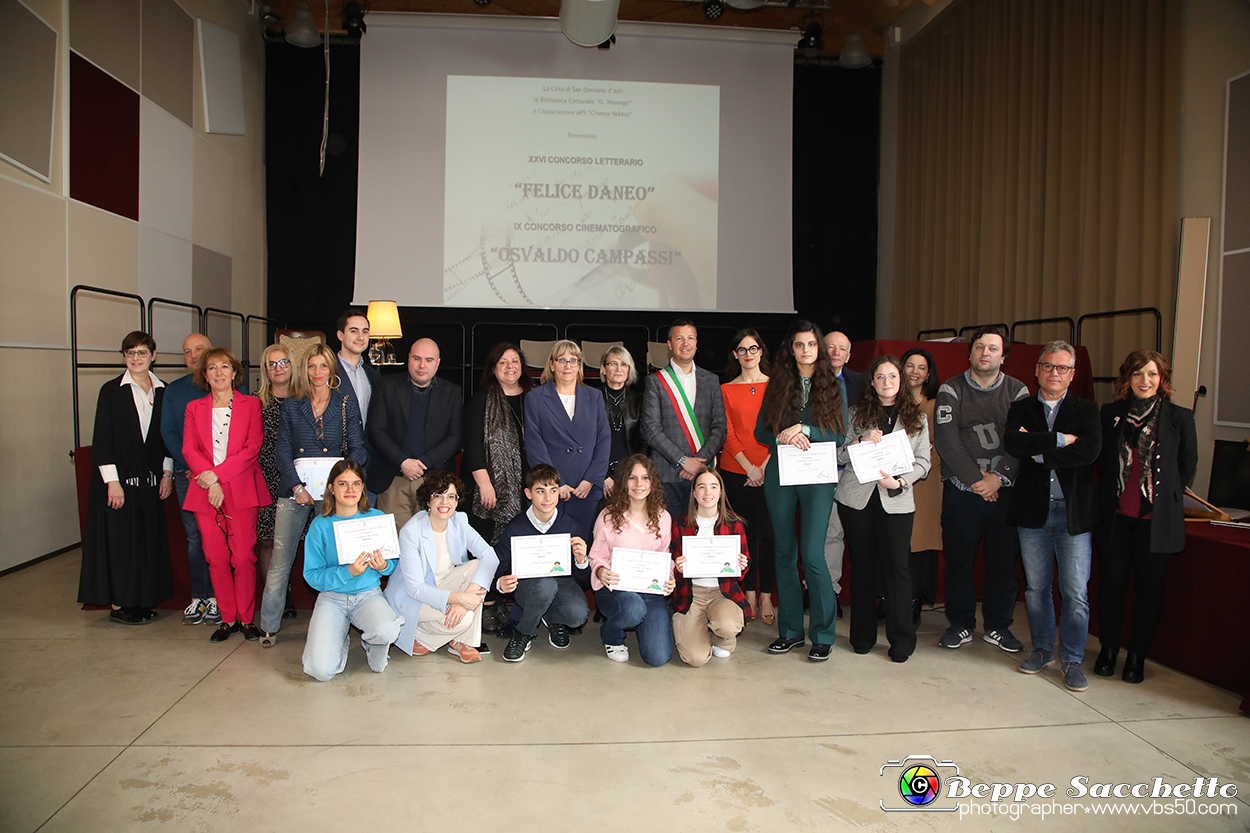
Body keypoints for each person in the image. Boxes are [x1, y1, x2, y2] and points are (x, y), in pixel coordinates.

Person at [1093, 350, 1197, 684]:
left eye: (1151, 374)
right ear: (1126, 379)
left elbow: (1186, 467)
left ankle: (1137, 656)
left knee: (1150, 588)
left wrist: (1158, 495)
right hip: (1116, 517)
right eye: (1137, 374)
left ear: (1162, 379)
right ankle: (1109, 649)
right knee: (1111, 584)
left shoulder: (1180, 417)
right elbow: (1101, 462)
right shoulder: (1110, 413)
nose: (1145, 381)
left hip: (1156, 521)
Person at [1004, 341, 1102, 692]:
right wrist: (1061, 440)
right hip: (1033, 514)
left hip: (1073, 515)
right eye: (1048, 366)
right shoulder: (1021, 407)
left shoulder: (1087, 409)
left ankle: (1072, 660)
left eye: (1062, 368)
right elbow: (1014, 445)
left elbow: (1089, 451)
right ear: (1037, 370)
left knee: (1075, 592)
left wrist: (1042, 452)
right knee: (1036, 589)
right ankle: (1043, 649)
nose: (1054, 373)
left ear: (1072, 375)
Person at [259, 343, 366, 647]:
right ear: (303, 370)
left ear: (331, 369)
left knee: (337, 558)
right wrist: (296, 486)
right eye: (311, 366)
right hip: (295, 491)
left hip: (334, 494)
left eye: (322, 366)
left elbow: (358, 447)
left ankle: (338, 623)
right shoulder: (293, 404)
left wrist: (343, 480)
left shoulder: (345, 402)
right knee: (281, 560)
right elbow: (282, 452)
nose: (317, 373)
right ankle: (268, 625)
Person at [755, 321, 847, 662]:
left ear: (818, 348)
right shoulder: (778, 384)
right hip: (781, 474)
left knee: (812, 555)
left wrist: (805, 428)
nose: (806, 350)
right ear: (790, 349)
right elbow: (760, 433)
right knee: (784, 554)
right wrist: (783, 435)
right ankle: (790, 631)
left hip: (817, 477)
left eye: (811, 344)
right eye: (799, 345)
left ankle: (822, 634)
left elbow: (839, 435)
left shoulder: (834, 386)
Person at [934, 326, 1029, 652]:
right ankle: (960, 624)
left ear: (1003, 356)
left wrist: (998, 478)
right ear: (970, 353)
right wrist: (978, 480)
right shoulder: (952, 389)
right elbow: (948, 442)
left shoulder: (1018, 392)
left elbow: (1021, 441)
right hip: (963, 491)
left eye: (992, 348)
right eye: (979, 347)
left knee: (1003, 562)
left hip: (1005, 491)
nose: (985, 353)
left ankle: (998, 626)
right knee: (959, 560)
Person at [835, 355, 931, 663]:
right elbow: (839, 455)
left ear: (901, 381)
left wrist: (900, 482)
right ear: (872, 382)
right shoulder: (855, 414)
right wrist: (861, 441)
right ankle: (862, 636)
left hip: (896, 500)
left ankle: (902, 639)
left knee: (897, 569)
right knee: (862, 567)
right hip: (857, 500)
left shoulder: (917, 418)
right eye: (881, 377)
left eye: (893, 376)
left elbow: (924, 463)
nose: (887, 382)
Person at [78, 331, 175, 624]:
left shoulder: (163, 391)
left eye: (142, 353)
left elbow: (167, 438)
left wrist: (167, 473)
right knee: (122, 547)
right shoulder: (111, 391)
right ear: (124, 357)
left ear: (153, 355)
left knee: (145, 546)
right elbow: (103, 438)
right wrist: (113, 482)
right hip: (120, 486)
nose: (136, 359)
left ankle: (140, 602)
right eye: (130, 353)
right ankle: (121, 606)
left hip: (150, 485)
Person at [182, 347, 271, 643]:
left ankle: (247, 619)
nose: (218, 373)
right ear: (204, 375)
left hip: (241, 487)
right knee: (216, 557)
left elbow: (252, 447)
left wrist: (218, 476)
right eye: (212, 368)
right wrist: (212, 481)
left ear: (234, 372)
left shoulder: (251, 405)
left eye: (224, 367)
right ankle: (228, 618)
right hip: (205, 491)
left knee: (243, 557)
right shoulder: (194, 408)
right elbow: (189, 450)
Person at [301, 459, 404, 681]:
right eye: (343, 484)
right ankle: (339, 640)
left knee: (387, 631)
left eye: (356, 484)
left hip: (368, 596)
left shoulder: (377, 519)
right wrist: (347, 572)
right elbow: (311, 575)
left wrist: (384, 566)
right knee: (320, 671)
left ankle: (371, 641)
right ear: (331, 488)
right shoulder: (320, 525)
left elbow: (392, 563)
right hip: (332, 598)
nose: (350, 490)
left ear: (363, 488)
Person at [384, 470, 499, 663]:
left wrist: (466, 598)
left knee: (479, 566)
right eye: (437, 496)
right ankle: (422, 635)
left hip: (443, 584)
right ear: (428, 502)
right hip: (412, 598)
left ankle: (457, 641)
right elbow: (416, 589)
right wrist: (460, 598)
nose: (445, 502)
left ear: (456, 501)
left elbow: (490, 557)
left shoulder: (459, 521)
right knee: (465, 620)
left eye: (450, 496)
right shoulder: (411, 532)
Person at [464, 342, 531, 633]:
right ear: (493, 368)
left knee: (513, 545)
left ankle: (506, 598)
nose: (509, 367)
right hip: (488, 488)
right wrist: (484, 482)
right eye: (502, 362)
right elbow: (472, 444)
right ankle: (487, 602)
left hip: (525, 487)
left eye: (514, 361)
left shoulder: (534, 399)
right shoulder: (482, 399)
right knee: (487, 545)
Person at [493, 465, 592, 662]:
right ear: (528, 494)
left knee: (578, 616)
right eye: (540, 491)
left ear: (559, 492)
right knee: (545, 585)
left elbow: (584, 582)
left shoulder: (571, 525)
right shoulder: (516, 526)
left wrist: (582, 561)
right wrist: (499, 584)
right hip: (529, 586)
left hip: (562, 584)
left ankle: (550, 618)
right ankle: (523, 633)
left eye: (553, 491)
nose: (548, 498)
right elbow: (497, 565)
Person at [367, 338, 464, 532]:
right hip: (393, 479)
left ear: (437, 363)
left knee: (432, 544)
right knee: (394, 544)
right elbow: (376, 430)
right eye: (417, 359)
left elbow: (456, 437)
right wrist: (403, 461)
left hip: (434, 480)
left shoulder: (452, 392)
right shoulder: (387, 385)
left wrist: (424, 462)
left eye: (429, 360)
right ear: (409, 359)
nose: (422, 366)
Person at [588, 454, 676, 666]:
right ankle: (611, 635)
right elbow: (596, 555)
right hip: (615, 589)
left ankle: (638, 621)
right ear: (623, 481)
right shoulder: (608, 516)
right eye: (632, 478)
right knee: (633, 610)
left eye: (645, 478)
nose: (639, 484)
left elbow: (665, 555)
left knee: (658, 658)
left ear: (652, 482)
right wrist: (600, 570)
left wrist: (669, 577)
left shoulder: (663, 517)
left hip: (650, 591)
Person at [159, 332, 220, 626]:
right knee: (195, 537)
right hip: (189, 476)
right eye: (187, 351)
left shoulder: (229, 386)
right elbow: (169, 433)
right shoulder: (174, 391)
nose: (194, 355)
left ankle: (220, 597)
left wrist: (216, 472)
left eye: (199, 349)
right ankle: (200, 597)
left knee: (222, 536)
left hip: (225, 477)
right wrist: (192, 467)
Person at [524, 340, 611, 539]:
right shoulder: (535, 398)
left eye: (573, 360)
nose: (568, 365)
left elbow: (604, 441)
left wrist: (590, 480)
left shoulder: (594, 396)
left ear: (580, 365)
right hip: (550, 491)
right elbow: (534, 444)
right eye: (561, 360)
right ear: (552, 365)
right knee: (551, 553)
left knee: (582, 547)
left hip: (585, 490)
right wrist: (556, 484)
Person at [719, 328, 776, 624]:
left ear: (761, 351)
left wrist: (764, 466)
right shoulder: (726, 389)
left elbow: (780, 426)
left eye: (753, 348)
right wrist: (748, 467)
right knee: (743, 536)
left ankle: (766, 594)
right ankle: (748, 592)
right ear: (735, 355)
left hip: (770, 469)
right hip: (735, 471)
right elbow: (726, 432)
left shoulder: (776, 386)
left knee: (769, 535)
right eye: (742, 350)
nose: (749, 354)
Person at [642, 319, 727, 513]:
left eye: (690, 338)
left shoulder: (712, 380)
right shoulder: (655, 382)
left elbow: (720, 427)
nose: (685, 343)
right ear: (670, 345)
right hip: (667, 475)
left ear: (696, 343)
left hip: (704, 476)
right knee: (667, 537)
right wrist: (683, 461)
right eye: (679, 338)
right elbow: (652, 430)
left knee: (700, 536)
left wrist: (698, 462)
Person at [670, 467, 751, 667]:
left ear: (721, 492)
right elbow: (670, 566)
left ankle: (723, 637)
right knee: (695, 659)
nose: (708, 493)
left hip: (722, 592)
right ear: (694, 493)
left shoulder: (734, 524)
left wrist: (742, 565)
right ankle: (700, 627)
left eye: (714, 487)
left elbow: (743, 567)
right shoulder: (680, 524)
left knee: (726, 626)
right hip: (691, 594)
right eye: (702, 487)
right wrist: (677, 567)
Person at [254, 343, 298, 619]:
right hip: (265, 478)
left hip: (297, 479)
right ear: (265, 370)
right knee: (268, 541)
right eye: (272, 364)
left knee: (291, 541)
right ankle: (278, 598)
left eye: (283, 362)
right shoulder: (254, 403)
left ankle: (286, 591)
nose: (278, 368)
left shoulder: (303, 400)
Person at [821, 330, 862, 612]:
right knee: (827, 533)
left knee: (853, 534)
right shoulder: (805, 383)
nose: (836, 352)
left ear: (849, 355)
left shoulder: (861, 383)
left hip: (854, 470)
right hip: (817, 470)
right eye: (830, 347)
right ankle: (825, 591)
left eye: (842, 348)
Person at [901, 348, 942, 625]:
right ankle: (890, 598)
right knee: (896, 542)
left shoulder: (936, 405)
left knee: (920, 542)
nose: (914, 371)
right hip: (890, 480)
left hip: (926, 480)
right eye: (910, 365)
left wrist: (916, 469)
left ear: (929, 374)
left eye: (921, 367)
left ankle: (915, 598)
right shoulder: (890, 398)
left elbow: (941, 446)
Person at [598, 345, 647, 498]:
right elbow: (588, 441)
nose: (619, 368)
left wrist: (635, 473)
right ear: (604, 369)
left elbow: (645, 441)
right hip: (600, 473)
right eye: (613, 363)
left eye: (624, 364)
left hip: (631, 473)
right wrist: (604, 476)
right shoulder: (593, 397)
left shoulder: (639, 400)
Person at [334, 307, 380, 469]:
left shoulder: (373, 375)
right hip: (338, 462)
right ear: (340, 335)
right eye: (354, 331)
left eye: (365, 331)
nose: (361, 337)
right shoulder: (327, 372)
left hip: (370, 463)